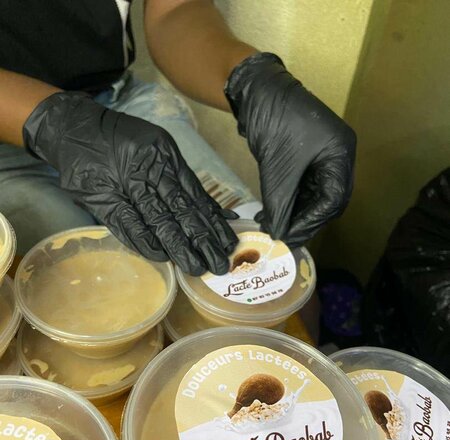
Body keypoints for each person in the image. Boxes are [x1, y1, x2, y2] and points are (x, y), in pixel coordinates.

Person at [0, 0, 356, 276]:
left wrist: (252, 82)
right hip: (4, 143)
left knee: (283, 285)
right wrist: (56, 125)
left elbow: (175, 9)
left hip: (115, 103)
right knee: (83, 300)